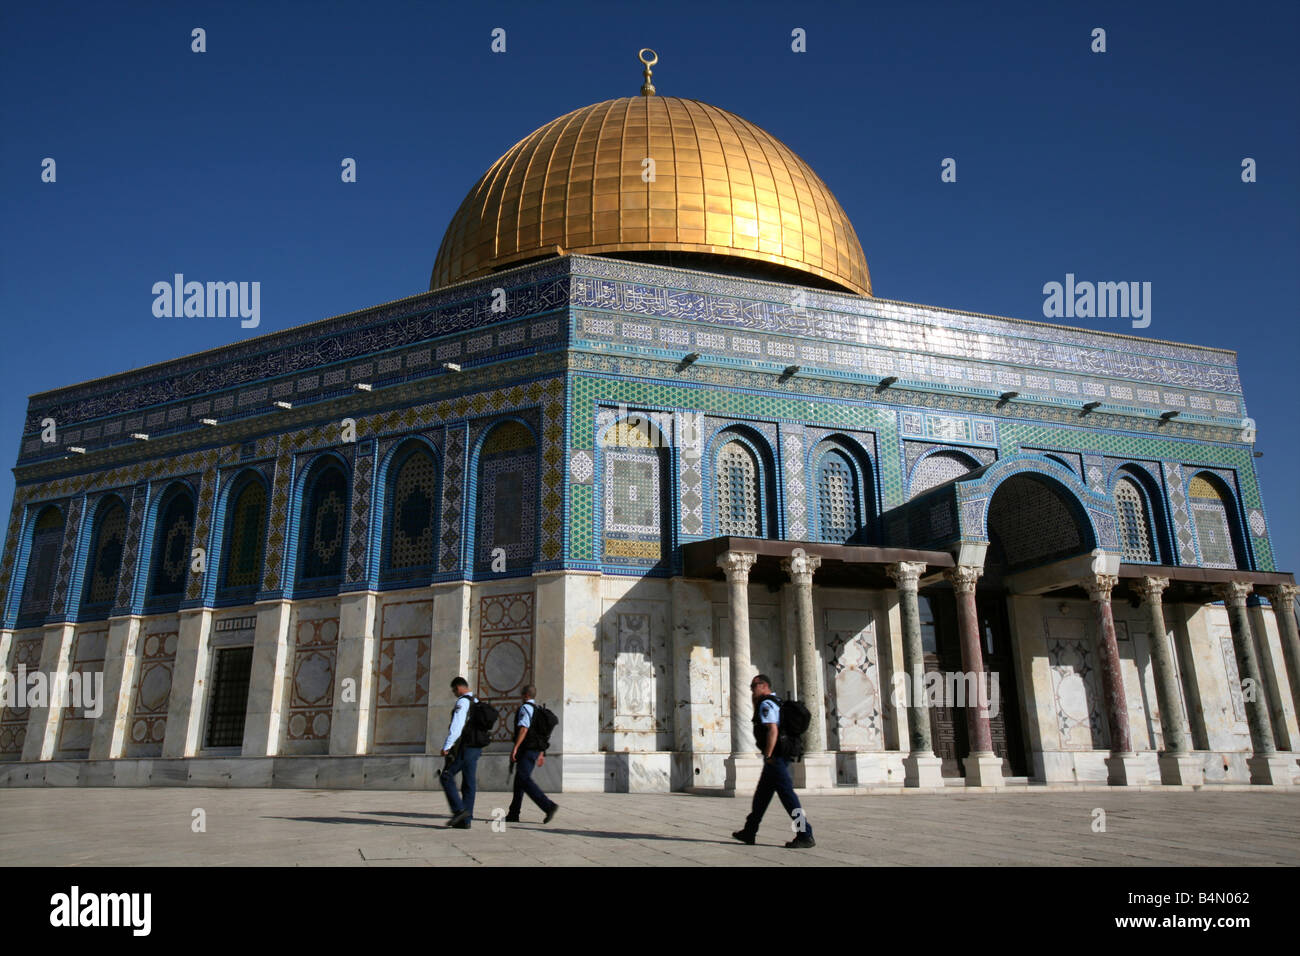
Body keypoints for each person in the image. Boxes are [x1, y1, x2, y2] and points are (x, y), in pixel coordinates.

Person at [732, 674, 816, 848]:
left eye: (754, 686)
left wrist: (768, 755)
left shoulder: (767, 703)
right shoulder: (774, 701)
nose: (752, 690)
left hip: (775, 758)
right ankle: (750, 831)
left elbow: (772, 730)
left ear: (764, 686)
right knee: (761, 798)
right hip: (775, 758)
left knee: (789, 798)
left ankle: (805, 834)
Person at [505, 685, 558, 824]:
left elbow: (524, 729)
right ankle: (513, 813)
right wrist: (541, 753)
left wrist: (515, 747)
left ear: (526, 695)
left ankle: (548, 806)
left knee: (523, 779)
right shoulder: (538, 710)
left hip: (527, 749)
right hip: (535, 749)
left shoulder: (525, 709)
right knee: (519, 781)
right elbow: (542, 734)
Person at [440, 677, 483, 829]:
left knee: (446, 776)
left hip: (465, 747)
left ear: (458, 687)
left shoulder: (463, 702)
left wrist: (447, 746)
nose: (453, 693)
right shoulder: (476, 702)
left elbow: (456, 727)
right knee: (469, 782)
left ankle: (459, 810)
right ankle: (466, 820)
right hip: (476, 747)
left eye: (453, 690)